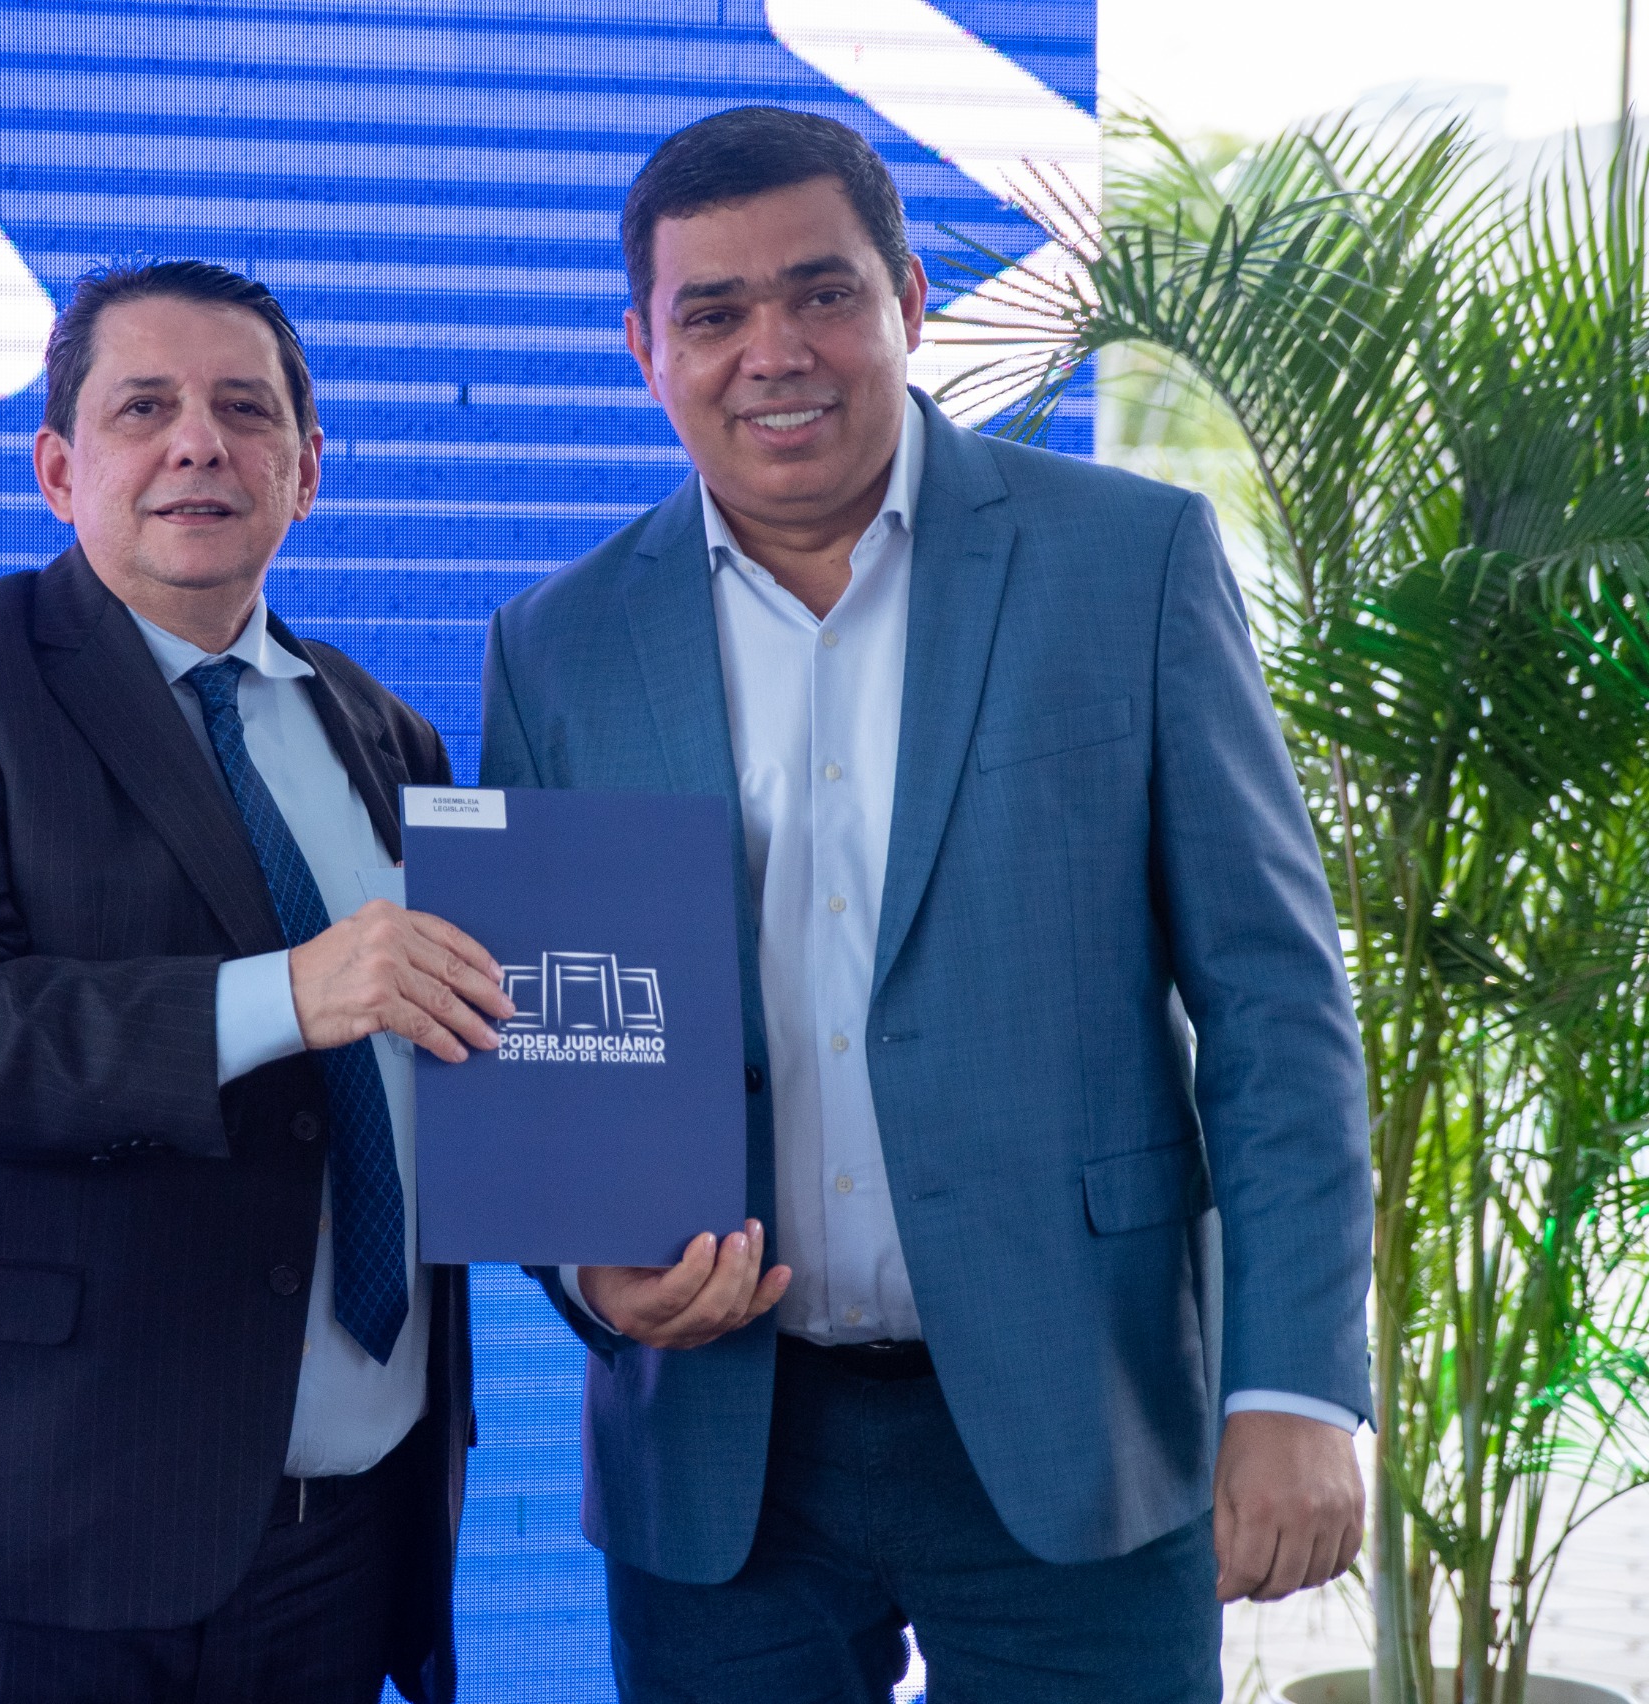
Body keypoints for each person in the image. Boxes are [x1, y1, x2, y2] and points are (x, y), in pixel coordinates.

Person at [479, 107, 1373, 1703]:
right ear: (644, 349)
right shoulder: (555, 645)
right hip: (721, 1458)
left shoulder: (1129, 560)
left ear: (905, 300)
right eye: (714, 312)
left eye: (823, 292)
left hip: (1077, 1414)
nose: (776, 350)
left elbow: (1275, 1004)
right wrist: (590, 1274)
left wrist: (1295, 1386)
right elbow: (558, 1047)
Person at [0, 259, 514, 1704]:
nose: (200, 442)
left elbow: (458, 1067)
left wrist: (619, 1241)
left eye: (246, 409)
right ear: (60, 468)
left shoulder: (395, 737)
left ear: (307, 474)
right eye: (145, 407)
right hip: (21, 1541)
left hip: (343, 1547)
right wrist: (282, 997)